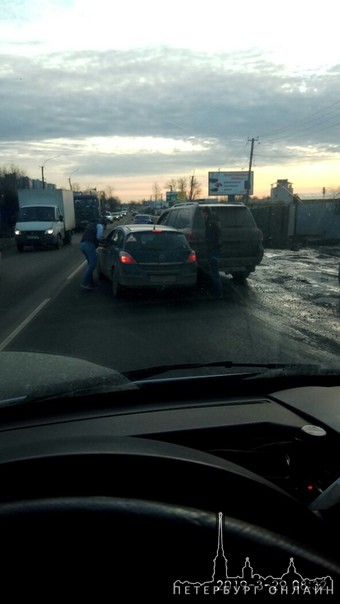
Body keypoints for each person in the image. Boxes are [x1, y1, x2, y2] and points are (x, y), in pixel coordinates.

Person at [202, 206, 223, 299]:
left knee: (214, 272)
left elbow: (211, 238)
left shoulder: (210, 223)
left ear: (205, 213)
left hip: (213, 250)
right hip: (216, 249)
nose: (202, 215)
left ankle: (217, 293)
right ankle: (216, 291)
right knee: (213, 271)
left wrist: (209, 249)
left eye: (202, 213)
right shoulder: (214, 220)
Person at [80, 218, 104, 290]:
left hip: (82, 245)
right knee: (92, 264)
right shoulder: (99, 225)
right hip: (89, 245)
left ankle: (90, 283)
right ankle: (84, 283)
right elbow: (99, 237)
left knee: (90, 264)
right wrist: (104, 241)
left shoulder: (89, 225)